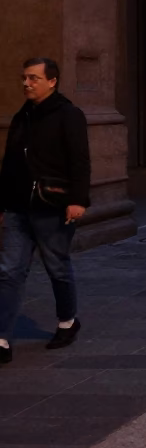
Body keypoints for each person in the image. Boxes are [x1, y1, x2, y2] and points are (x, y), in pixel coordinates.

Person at [0, 58, 90, 364]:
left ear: (52, 81)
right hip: (17, 207)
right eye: (24, 78)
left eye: (34, 78)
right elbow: (9, 162)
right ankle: (1, 338)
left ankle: (68, 321)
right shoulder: (21, 116)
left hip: (51, 205)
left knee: (57, 266)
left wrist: (78, 200)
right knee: (9, 271)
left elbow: (80, 160)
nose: (26, 83)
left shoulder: (68, 115)